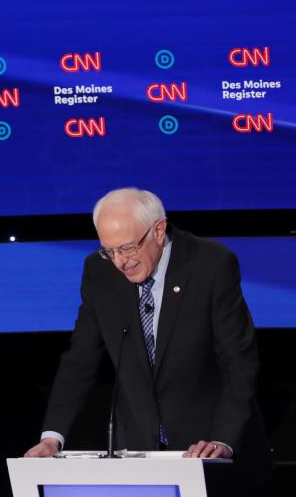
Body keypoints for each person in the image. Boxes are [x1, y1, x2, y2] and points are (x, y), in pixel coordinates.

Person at [25, 188, 270, 464]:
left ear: (158, 230)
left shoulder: (211, 264)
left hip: (207, 446)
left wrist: (222, 440)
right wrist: (52, 437)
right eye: (109, 251)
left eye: (127, 248)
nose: (120, 262)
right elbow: (80, 360)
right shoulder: (98, 272)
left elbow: (239, 362)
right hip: (139, 450)